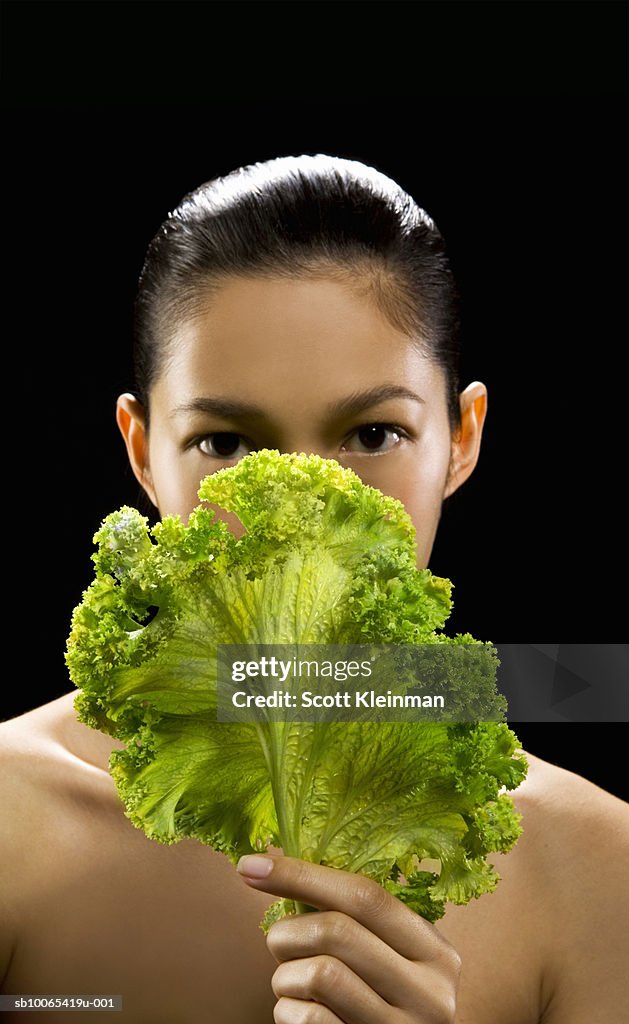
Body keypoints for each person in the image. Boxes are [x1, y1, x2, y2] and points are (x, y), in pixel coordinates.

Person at [1, 154, 627, 1024]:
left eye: (373, 432)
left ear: (460, 438)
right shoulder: (12, 820)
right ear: (142, 451)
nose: (301, 510)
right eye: (225, 443)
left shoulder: (594, 868)